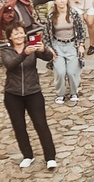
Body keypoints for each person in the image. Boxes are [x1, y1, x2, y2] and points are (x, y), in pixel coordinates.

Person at [2, 22, 57, 169]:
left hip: (33, 92)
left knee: (41, 124)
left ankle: (50, 157)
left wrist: (43, 49)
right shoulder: (6, 51)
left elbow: (49, 57)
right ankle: (27, 155)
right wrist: (23, 54)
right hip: (13, 94)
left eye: (21, 32)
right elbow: (10, 64)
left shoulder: (32, 47)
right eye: (16, 34)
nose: (20, 36)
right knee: (19, 126)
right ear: (10, 37)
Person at [43, 0, 86, 104]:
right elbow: (46, 34)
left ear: (67, 0)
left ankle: (73, 92)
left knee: (72, 72)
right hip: (58, 46)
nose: (61, 1)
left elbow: (82, 30)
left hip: (72, 45)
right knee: (60, 72)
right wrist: (50, 49)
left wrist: (81, 45)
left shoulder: (74, 14)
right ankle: (60, 93)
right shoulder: (51, 16)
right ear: (55, 2)